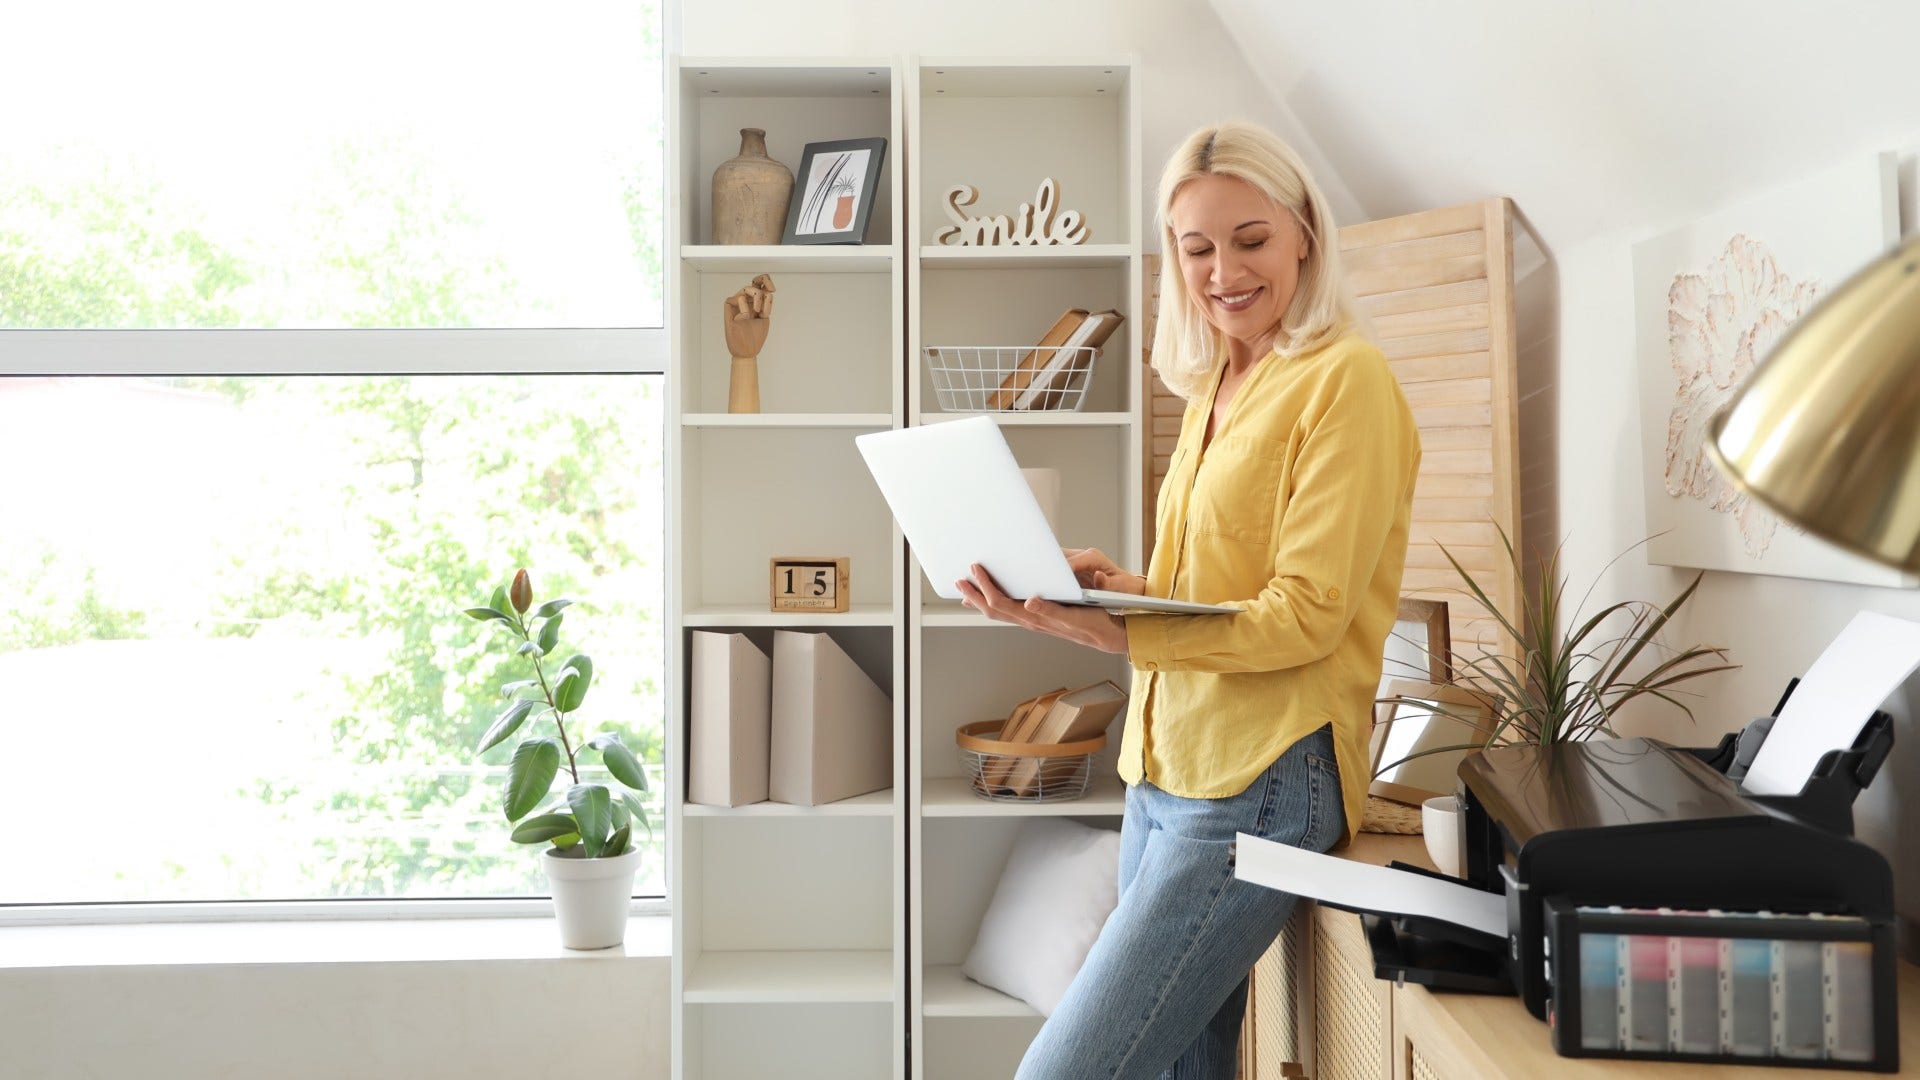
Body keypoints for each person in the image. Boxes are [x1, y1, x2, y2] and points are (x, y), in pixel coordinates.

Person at [955, 121, 1421, 1079]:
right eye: (1196, 248)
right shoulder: (1217, 377)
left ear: (1304, 234)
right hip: (1163, 769)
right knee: (1178, 1068)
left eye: (1249, 239)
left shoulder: (1346, 381)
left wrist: (1122, 633)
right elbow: (1216, 590)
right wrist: (1121, 589)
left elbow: (1304, 615)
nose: (1223, 272)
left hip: (1262, 778)